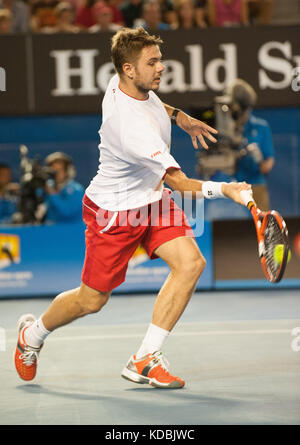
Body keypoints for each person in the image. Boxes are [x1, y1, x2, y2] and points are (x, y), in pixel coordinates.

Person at [15, 27, 251, 388]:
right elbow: (179, 183)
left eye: (160, 59)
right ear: (128, 69)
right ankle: (32, 335)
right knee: (91, 300)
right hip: (115, 212)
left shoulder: (124, 84)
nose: (161, 67)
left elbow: (156, 104)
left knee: (191, 263)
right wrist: (227, 190)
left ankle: (145, 358)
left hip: (152, 201)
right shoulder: (130, 128)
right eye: (152, 62)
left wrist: (179, 116)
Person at [230, 79, 274, 210]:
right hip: (229, 187)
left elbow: (267, 166)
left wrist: (257, 158)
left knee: (262, 226)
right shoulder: (222, 129)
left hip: (256, 187)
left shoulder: (261, 127)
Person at [44, 152, 84, 223]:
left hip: (72, 231)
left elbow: (67, 212)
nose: (55, 174)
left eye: (59, 170)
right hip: (50, 230)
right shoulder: (47, 186)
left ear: (68, 171)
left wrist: (53, 194)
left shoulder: (77, 189)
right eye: (53, 171)